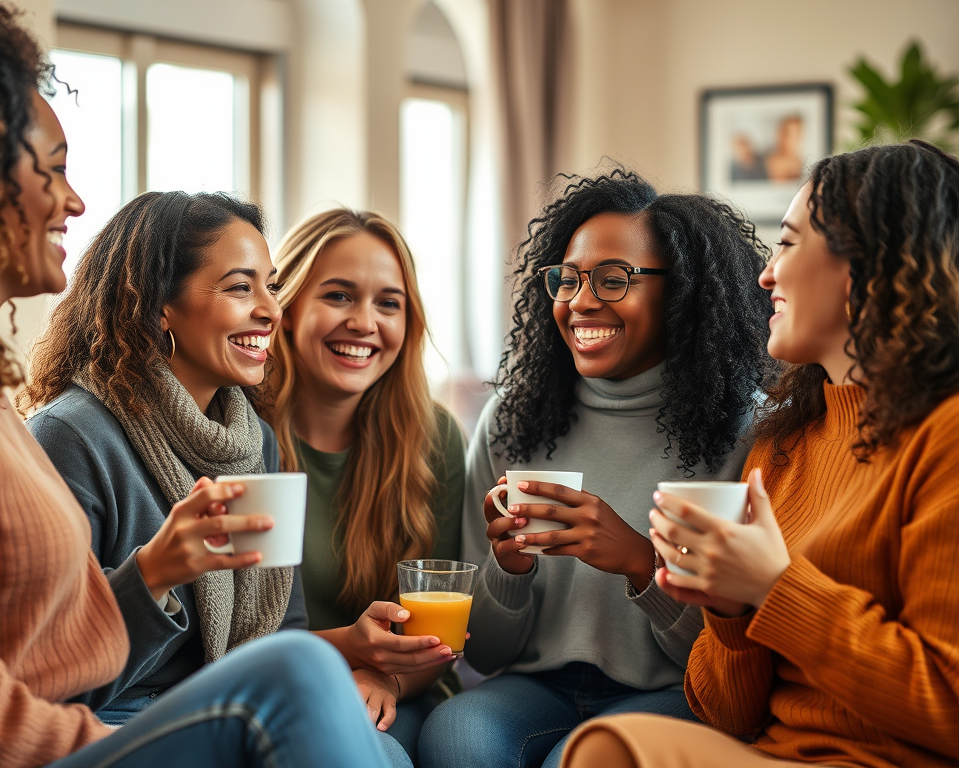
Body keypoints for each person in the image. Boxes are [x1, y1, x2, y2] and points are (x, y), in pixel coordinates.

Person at [0, 5, 390, 767]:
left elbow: (40, 644)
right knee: (301, 679)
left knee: (365, 725)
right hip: (81, 732)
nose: (75, 201)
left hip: (116, 722)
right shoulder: (58, 428)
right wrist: (154, 580)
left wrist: (354, 648)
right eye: (50, 170)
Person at [560, 141, 959, 768]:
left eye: (791, 243)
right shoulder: (783, 446)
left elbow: (949, 706)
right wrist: (729, 607)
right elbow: (727, 712)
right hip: (774, 755)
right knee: (603, 751)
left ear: (870, 263)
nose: (766, 274)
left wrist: (774, 587)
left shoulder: (946, 438)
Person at [419, 166, 773, 768]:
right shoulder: (515, 418)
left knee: (578, 761)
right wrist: (507, 570)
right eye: (570, 280)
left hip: (676, 692)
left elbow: (731, 665)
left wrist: (641, 562)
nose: (581, 302)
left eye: (614, 280)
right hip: (539, 686)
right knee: (456, 738)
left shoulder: (745, 433)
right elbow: (488, 657)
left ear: (682, 290)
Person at [19, 190, 308, 724]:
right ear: (159, 308)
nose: (271, 309)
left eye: (271, 286)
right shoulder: (69, 437)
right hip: (113, 719)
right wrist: (153, 575)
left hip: (231, 706)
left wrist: (358, 647)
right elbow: (44, 676)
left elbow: (284, 629)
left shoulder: (254, 441)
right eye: (241, 288)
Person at [263, 208, 467, 767]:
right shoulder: (237, 436)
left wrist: (386, 680)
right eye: (338, 295)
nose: (364, 322)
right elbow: (229, 640)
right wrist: (349, 655)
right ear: (285, 308)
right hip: (276, 695)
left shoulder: (435, 438)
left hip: (401, 691)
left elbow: (443, 629)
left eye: (388, 303)